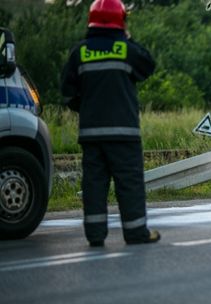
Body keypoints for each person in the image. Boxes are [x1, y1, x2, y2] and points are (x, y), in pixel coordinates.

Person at [61, 0, 160, 246]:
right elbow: (149, 65)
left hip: (91, 134)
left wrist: (87, 108)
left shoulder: (79, 52)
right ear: (121, 21)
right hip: (124, 133)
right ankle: (136, 233)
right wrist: (127, 38)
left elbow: (67, 92)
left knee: (94, 185)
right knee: (129, 183)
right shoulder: (125, 49)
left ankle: (95, 236)